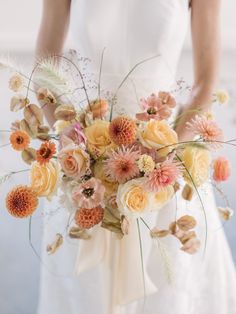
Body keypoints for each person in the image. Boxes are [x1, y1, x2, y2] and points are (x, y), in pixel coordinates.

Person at [36, 1, 236, 313]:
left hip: (166, 169)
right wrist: (71, 142)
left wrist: (164, 152)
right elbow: (44, 68)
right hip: (83, 169)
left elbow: (206, 83)